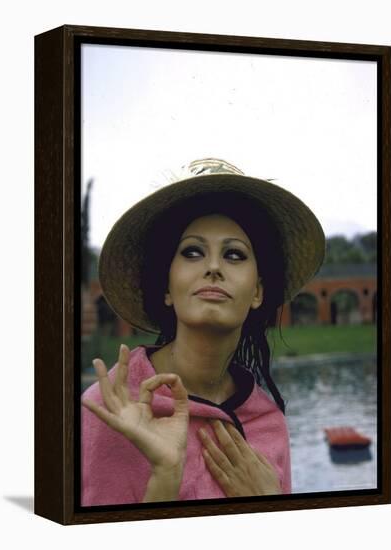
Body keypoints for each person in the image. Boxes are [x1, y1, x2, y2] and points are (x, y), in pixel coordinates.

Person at [81, 158, 325, 506]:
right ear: (167, 286)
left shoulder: (269, 423)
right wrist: (165, 476)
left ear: (257, 292)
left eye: (235, 254)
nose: (213, 267)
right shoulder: (109, 409)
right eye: (192, 252)